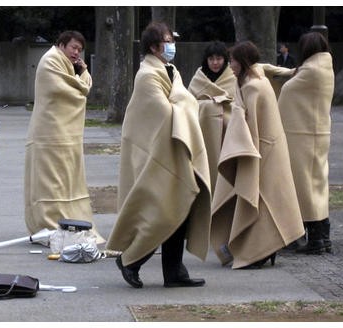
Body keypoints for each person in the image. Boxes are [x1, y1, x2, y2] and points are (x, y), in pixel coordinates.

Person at [106, 22, 211, 288]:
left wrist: (184, 103)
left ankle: (174, 272)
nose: (171, 44)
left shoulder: (171, 71)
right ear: (154, 46)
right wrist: (186, 103)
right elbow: (164, 113)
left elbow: (181, 103)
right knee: (159, 213)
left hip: (173, 152)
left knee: (180, 209)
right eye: (166, 40)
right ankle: (130, 260)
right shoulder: (147, 75)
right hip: (154, 155)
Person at [210, 40, 305, 269]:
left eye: (232, 60)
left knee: (259, 200)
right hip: (268, 148)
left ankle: (260, 251)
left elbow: (247, 125)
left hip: (260, 150)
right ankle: (264, 249)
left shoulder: (252, 86)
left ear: (241, 62)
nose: (229, 65)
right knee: (265, 200)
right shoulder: (256, 80)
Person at [23, 30, 104, 243]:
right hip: (48, 133)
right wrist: (82, 76)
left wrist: (82, 71)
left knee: (69, 180)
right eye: (73, 47)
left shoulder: (68, 65)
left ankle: (70, 222)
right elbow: (74, 92)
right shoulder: (50, 61)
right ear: (61, 45)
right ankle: (50, 225)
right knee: (51, 182)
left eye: (79, 49)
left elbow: (81, 87)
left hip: (66, 134)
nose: (77, 53)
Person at [277, 32, 335, 255]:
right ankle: (323, 236)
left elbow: (288, 90)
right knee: (318, 184)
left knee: (304, 186)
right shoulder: (325, 66)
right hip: (319, 133)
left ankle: (314, 240)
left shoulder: (310, 70)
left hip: (302, 135)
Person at [188, 41, 236, 194]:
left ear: (225, 59)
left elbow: (238, 104)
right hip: (202, 132)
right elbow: (188, 102)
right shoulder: (199, 77)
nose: (215, 63)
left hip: (226, 133)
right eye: (211, 59)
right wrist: (208, 106)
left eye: (219, 58)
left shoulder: (232, 76)